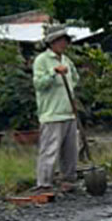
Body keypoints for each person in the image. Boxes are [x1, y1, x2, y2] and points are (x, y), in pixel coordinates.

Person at [32, 24, 80, 194]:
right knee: (50, 150)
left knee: (70, 151)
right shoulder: (42, 60)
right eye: (59, 40)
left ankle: (68, 180)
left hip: (68, 112)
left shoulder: (66, 60)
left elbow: (74, 79)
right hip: (51, 114)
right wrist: (53, 73)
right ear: (51, 42)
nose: (63, 44)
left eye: (65, 40)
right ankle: (44, 183)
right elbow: (39, 84)